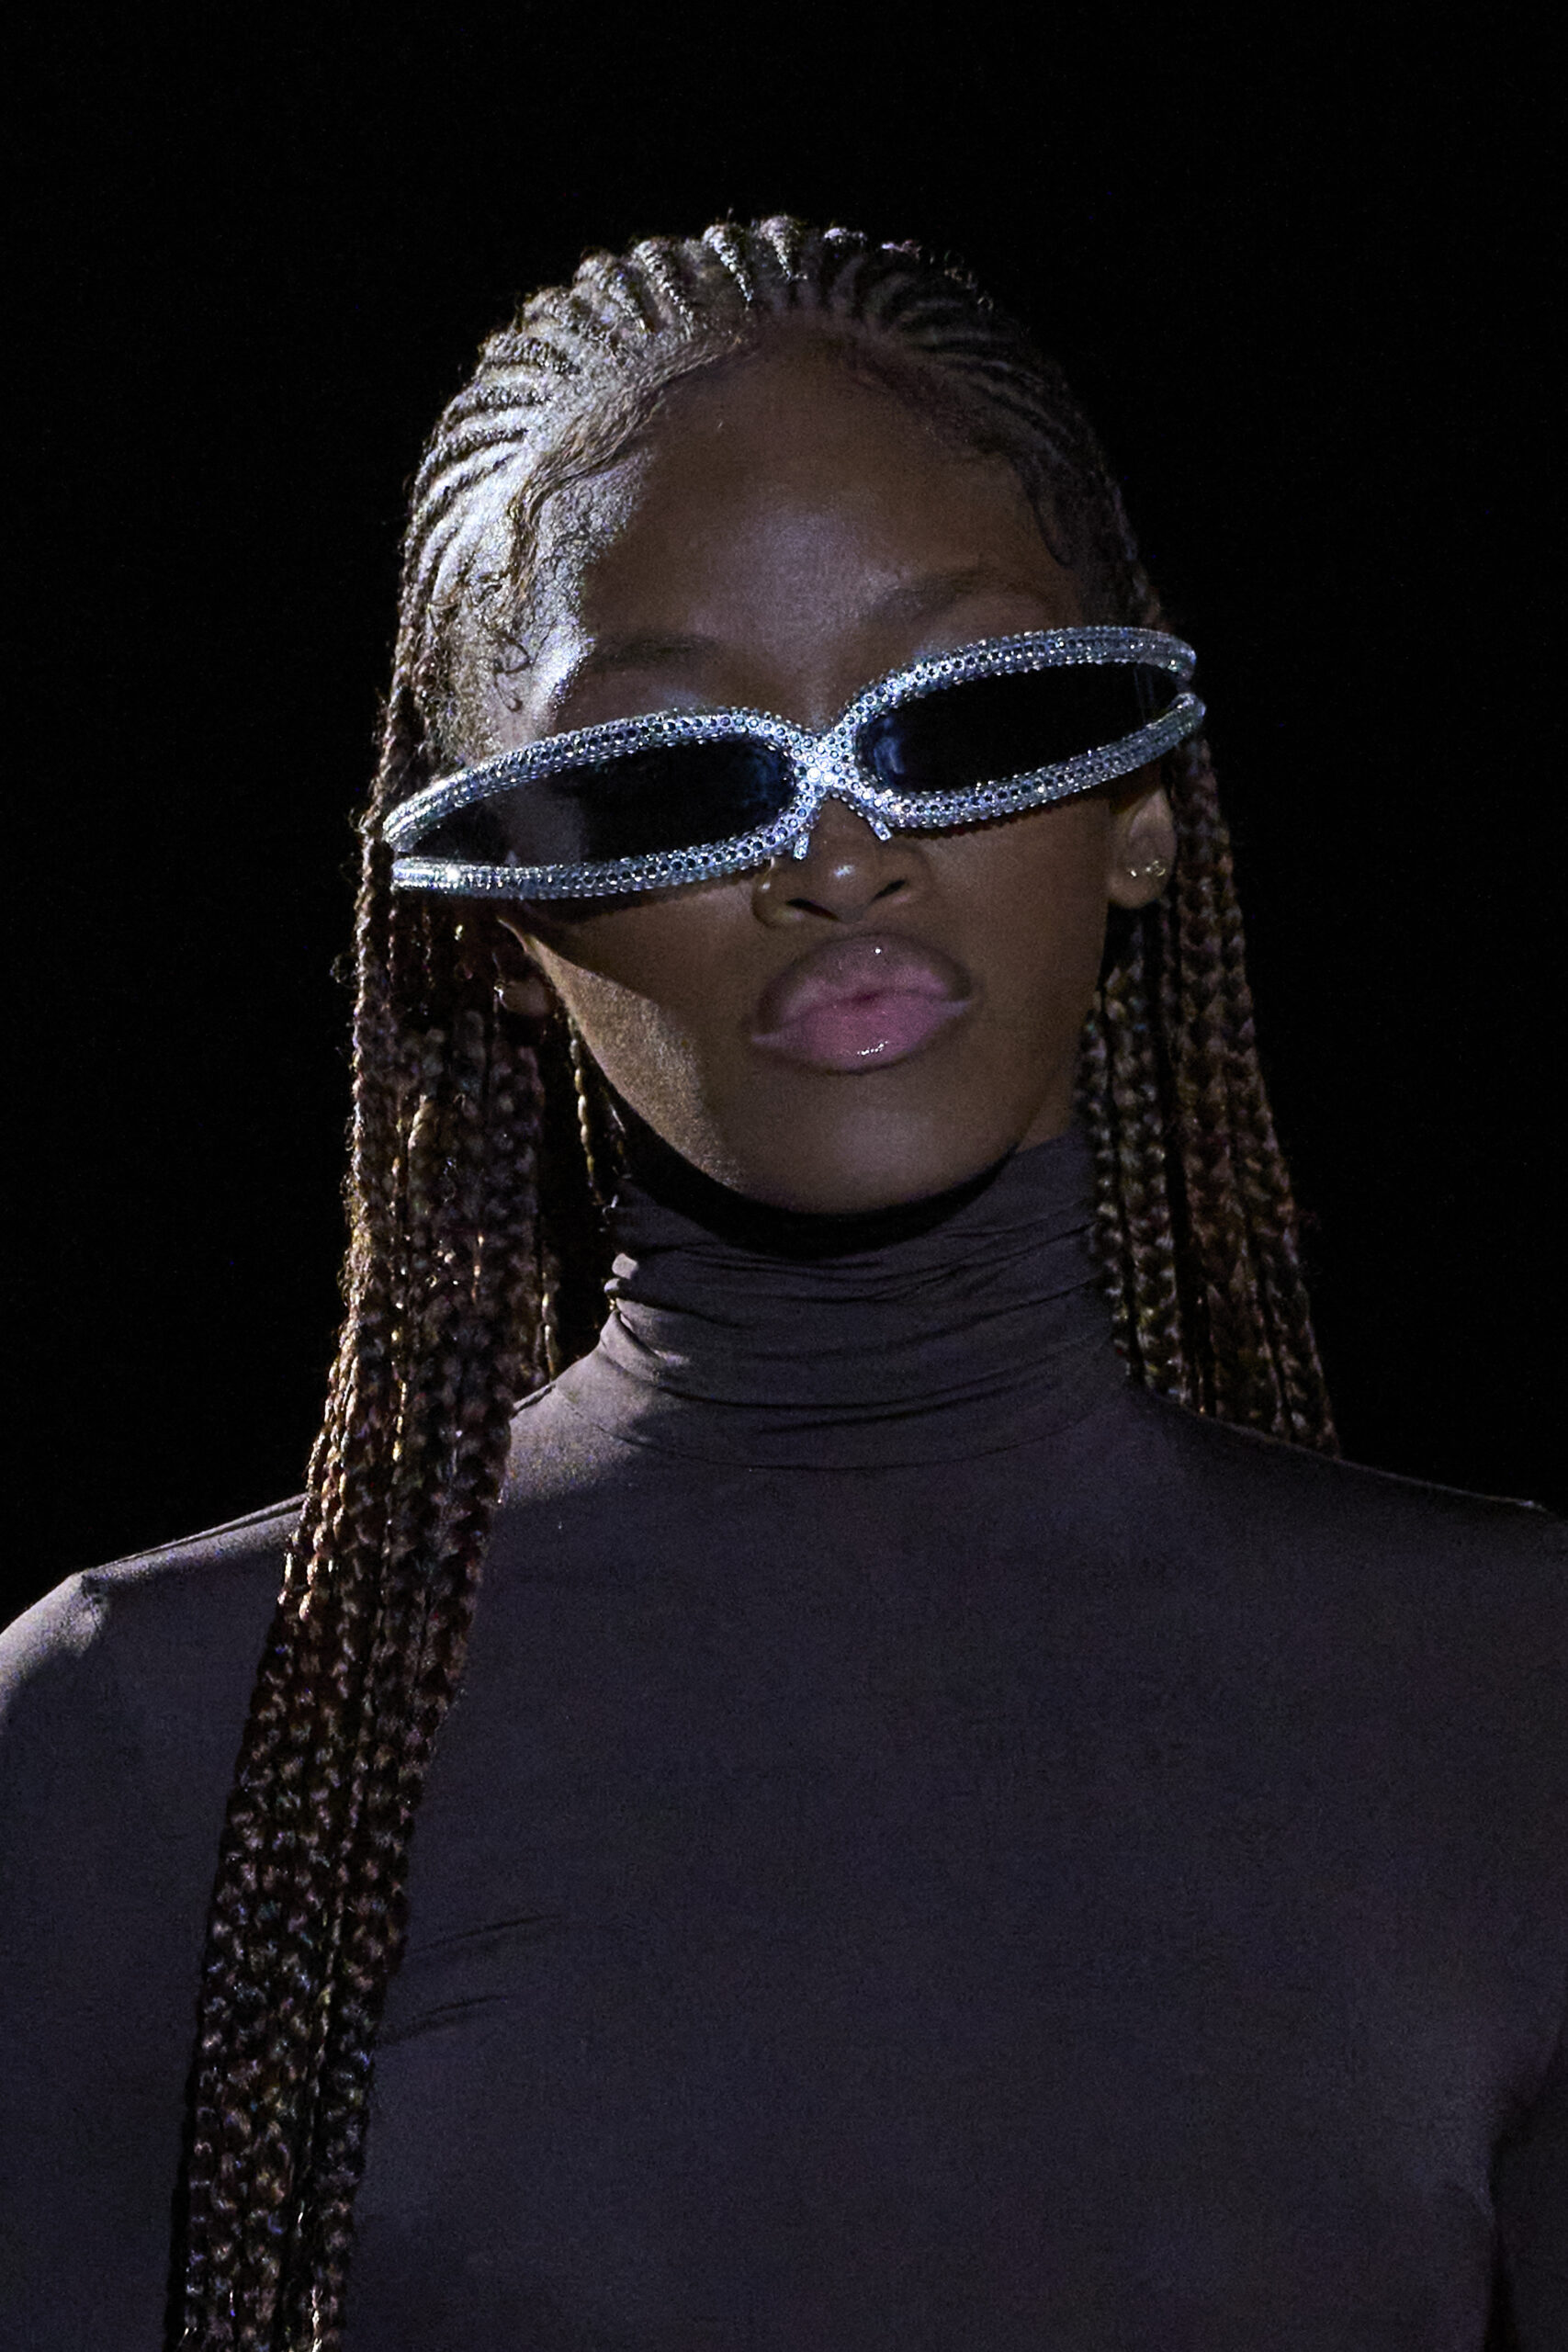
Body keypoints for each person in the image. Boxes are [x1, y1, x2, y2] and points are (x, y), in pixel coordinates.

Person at [1, 217, 1562, 2352]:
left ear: (1136, 804)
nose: (836, 859)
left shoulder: (1504, 1697)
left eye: (961, 713)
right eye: (663, 771)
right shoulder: (146, 1745)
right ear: (484, 917)